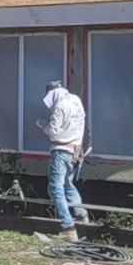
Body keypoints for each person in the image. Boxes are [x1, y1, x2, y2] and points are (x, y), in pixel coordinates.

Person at [41, 80, 90, 242]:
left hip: (61, 151)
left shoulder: (61, 106)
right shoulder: (76, 102)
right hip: (76, 151)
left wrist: (44, 126)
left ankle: (68, 228)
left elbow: (54, 134)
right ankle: (82, 217)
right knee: (68, 186)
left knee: (55, 188)